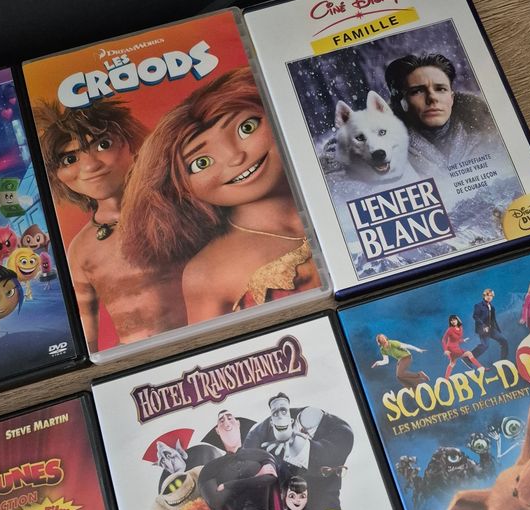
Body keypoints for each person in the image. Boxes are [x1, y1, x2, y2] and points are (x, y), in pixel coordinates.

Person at [118, 67, 320, 322]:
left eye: (246, 128)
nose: (236, 157)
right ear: (176, 187)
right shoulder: (205, 272)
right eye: (201, 162)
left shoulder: (336, 189)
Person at [33, 98, 186, 352]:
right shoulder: (80, 249)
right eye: (69, 159)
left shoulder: (180, 208)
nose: (91, 165)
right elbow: (86, 336)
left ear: (131, 144)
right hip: (135, 358)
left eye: (103, 145)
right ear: (56, 175)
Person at [384, 52, 499, 176]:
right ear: (402, 101)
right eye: (418, 91)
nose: (432, 98)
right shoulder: (387, 156)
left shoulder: (490, 140)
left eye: (440, 89)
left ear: (452, 98)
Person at [472, 288, 508, 360]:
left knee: (504, 341)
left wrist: (497, 329)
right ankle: (468, 358)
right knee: (485, 346)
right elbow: (475, 316)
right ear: (484, 296)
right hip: (483, 329)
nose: (489, 297)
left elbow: (493, 319)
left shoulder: (492, 307)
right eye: (488, 295)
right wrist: (483, 326)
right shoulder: (478, 305)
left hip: (492, 329)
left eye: (491, 295)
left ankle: (503, 359)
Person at [442, 314, 482, 378]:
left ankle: (446, 378)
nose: (453, 321)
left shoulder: (460, 328)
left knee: (452, 363)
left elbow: (456, 340)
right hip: (451, 348)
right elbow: (444, 340)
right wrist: (445, 350)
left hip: (456, 347)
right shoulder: (450, 329)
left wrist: (463, 340)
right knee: (469, 353)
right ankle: (481, 367)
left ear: (457, 320)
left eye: (454, 320)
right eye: (451, 321)